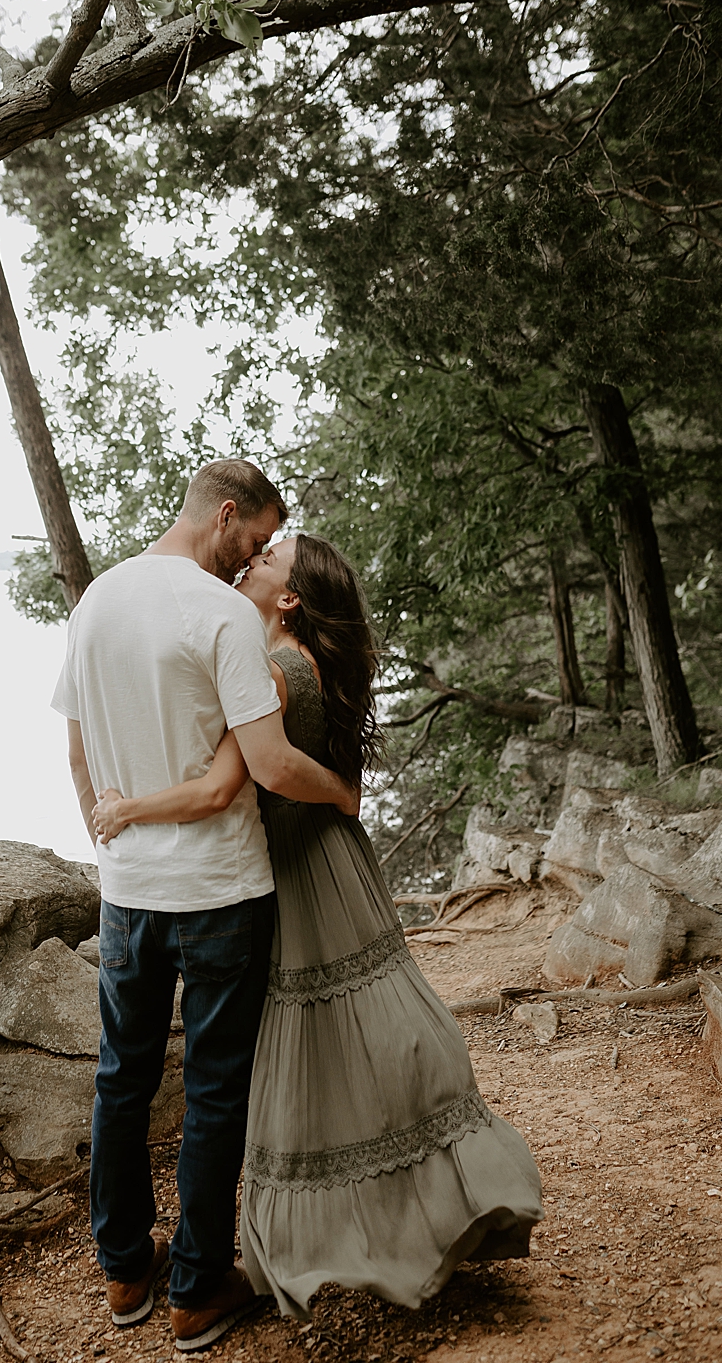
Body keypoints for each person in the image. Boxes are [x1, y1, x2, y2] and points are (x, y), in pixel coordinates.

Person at [90, 533, 542, 1322]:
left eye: (267, 559)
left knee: (308, 1055)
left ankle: (351, 1236)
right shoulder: (308, 661)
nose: (251, 561)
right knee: (354, 1042)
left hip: (298, 873)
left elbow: (233, 782)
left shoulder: (275, 667)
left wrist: (126, 807)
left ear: (290, 596)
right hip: (335, 863)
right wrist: (344, 796)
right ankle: (401, 1213)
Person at [52, 459, 361, 1354]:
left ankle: (122, 1272)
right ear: (225, 516)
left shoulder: (97, 602)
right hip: (222, 891)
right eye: (257, 540)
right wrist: (342, 792)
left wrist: (111, 845)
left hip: (130, 895)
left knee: (122, 1078)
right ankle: (195, 1288)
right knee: (216, 1092)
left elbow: (77, 751)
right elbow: (264, 769)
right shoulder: (221, 612)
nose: (253, 558)